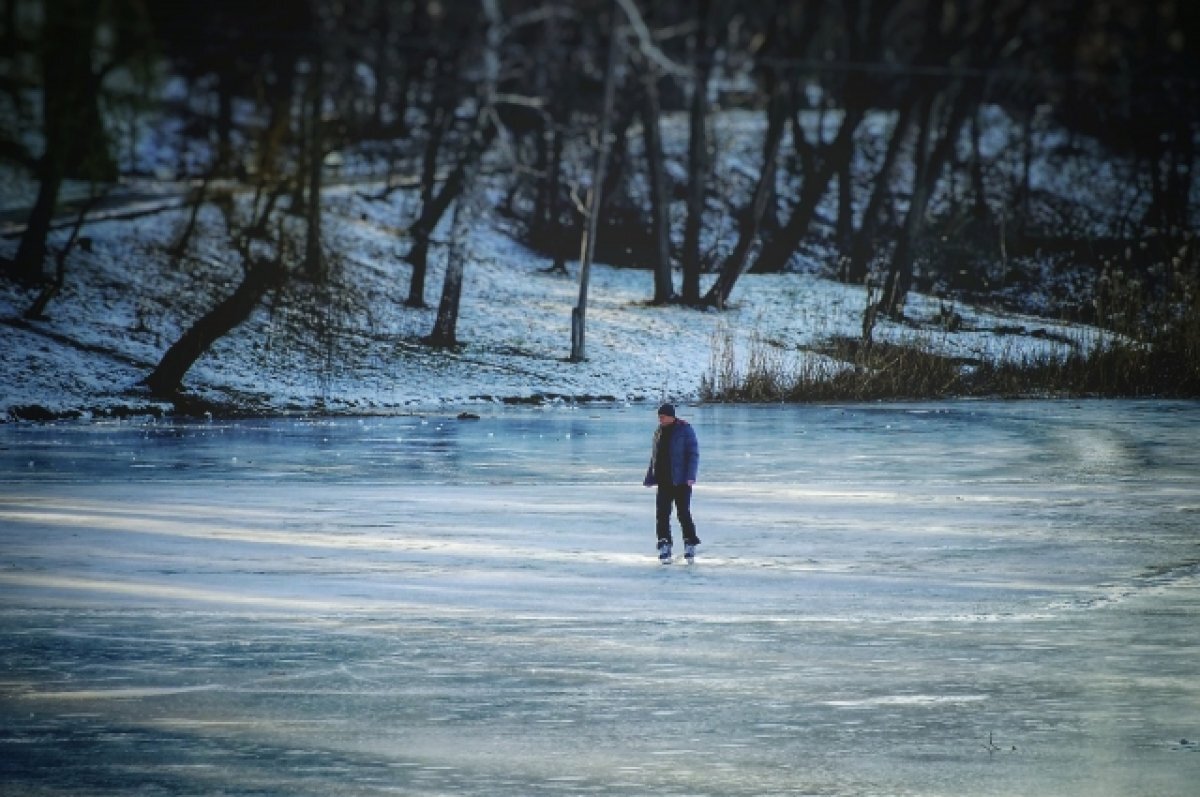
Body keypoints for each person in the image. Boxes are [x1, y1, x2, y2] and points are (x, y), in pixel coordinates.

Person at [643, 403, 700, 562]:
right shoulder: (658, 432)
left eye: (662, 416)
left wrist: (690, 476)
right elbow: (655, 457)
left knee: (683, 513)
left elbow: (693, 454)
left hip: (681, 481)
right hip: (663, 480)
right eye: (659, 417)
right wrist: (650, 477)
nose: (660, 419)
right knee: (662, 514)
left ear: (671, 416)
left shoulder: (685, 430)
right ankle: (664, 544)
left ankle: (690, 543)